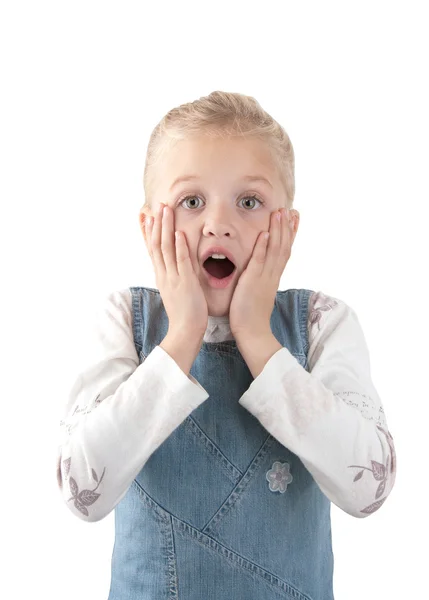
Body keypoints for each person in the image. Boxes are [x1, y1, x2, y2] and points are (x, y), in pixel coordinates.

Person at [56, 91, 396, 599]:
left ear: (289, 227)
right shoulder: (125, 320)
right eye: (192, 202)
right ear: (151, 226)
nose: (219, 224)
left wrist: (258, 337)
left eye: (249, 202)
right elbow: (83, 493)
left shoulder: (323, 324)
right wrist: (182, 334)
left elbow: (369, 490)